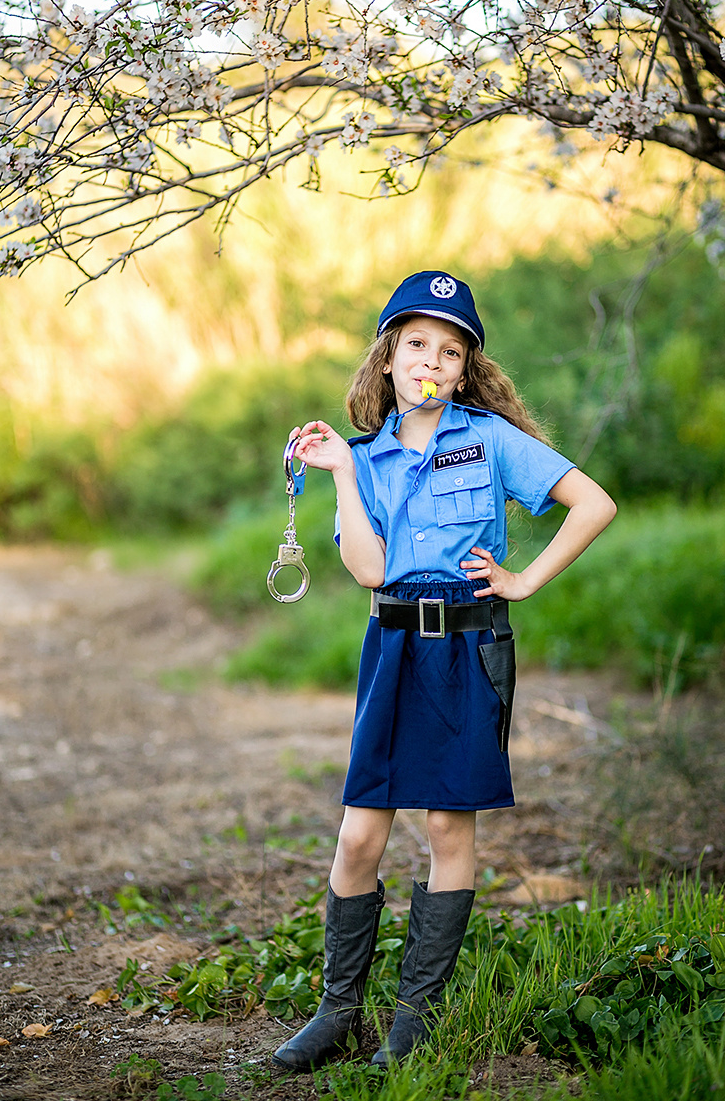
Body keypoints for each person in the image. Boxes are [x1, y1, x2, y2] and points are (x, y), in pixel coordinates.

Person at [272, 271, 616, 1072]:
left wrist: (525, 581)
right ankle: (336, 1012)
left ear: (466, 370)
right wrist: (346, 477)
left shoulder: (490, 440)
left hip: (468, 650)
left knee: (448, 828)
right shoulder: (367, 460)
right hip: (391, 650)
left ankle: (413, 1023)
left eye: (450, 350)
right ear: (388, 360)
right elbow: (367, 569)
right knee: (359, 836)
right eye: (416, 344)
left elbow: (593, 503)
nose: (432, 361)